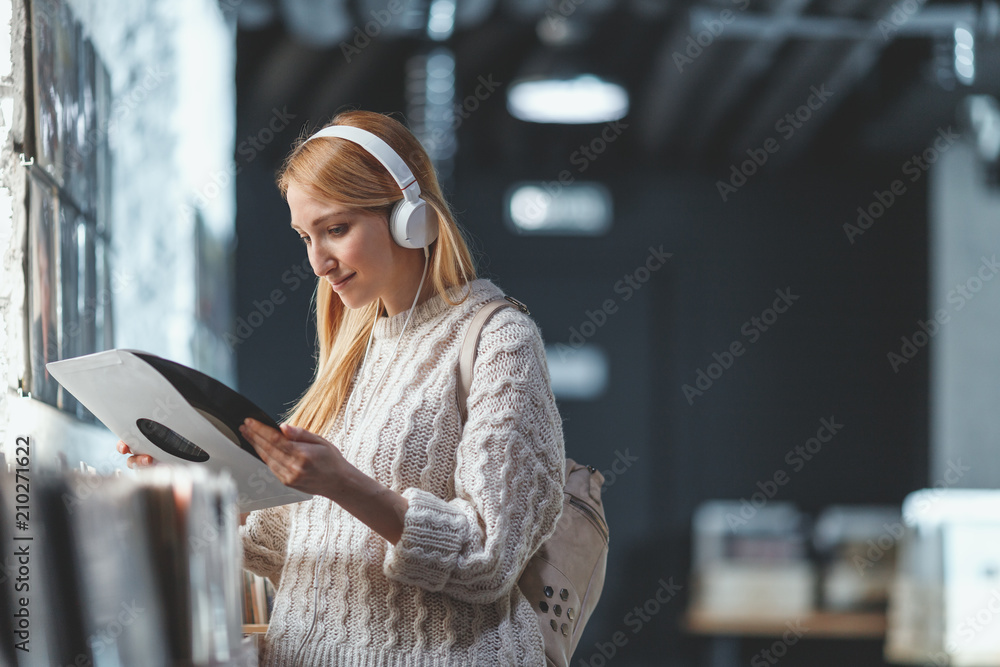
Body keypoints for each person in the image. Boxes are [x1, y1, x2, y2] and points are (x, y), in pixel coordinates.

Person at [119, 110, 566, 666]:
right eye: (306, 237)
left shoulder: (499, 339)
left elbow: (489, 556)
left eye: (335, 229)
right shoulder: (356, 348)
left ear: (412, 218)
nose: (318, 262)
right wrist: (191, 490)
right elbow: (296, 547)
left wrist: (345, 484)